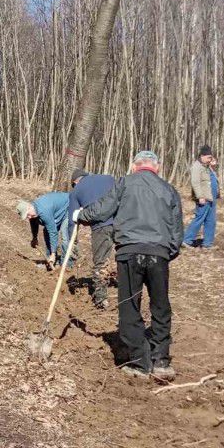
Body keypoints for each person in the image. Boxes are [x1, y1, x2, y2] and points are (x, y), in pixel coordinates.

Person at [73, 151, 183, 380]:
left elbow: (103, 208)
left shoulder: (124, 183)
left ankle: (140, 363)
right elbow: (177, 229)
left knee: (130, 306)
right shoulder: (169, 189)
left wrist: (80, 215)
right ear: (157, 167)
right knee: (161, 306)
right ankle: (161, 360)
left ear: (134, 166)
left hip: (129, 253)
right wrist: (167, 252)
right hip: (158, 254)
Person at [68, 167, 116, 310]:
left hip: (101, 226)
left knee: (100, 262)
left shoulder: (75, 191)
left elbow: (72, 219)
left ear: (75, 182)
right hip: (124, 222)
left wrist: (73, 242)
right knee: (126, 256)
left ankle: (101, 299)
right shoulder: (109, 178)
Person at [16, 192, 70, 269]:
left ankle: (67, 264)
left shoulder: (43, 211)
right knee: (46, 232)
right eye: (27, 216)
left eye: (28, 214)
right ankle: (50, 262)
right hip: (56, 210)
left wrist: (53, 253)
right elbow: (34, 224)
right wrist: (34, 238)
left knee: (65, 237)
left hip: (68, 207)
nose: (29, 217)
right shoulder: (33, 212)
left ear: (29, 207)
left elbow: (53, 232)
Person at [182, 145, 216, 248]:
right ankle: (187, 240)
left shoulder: (206, 167)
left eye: (211, 157)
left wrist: (212, 166)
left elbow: (212, 178)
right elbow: (195, 182)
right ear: (202, 156)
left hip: (211, 198)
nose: (210, 159)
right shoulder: (197, 166)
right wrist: (200, 196)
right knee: (199, 218)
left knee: (211, 220)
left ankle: (207, 243)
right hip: (204, 198)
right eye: (208, 157)